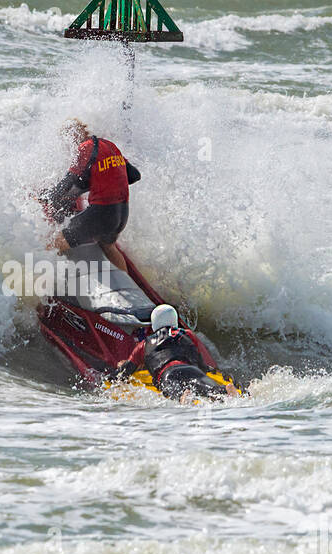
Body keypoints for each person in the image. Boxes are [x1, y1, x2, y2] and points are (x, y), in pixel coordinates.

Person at [42, 119, 140, 272]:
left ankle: (54, 285)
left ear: (73, 136)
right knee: (108, 247)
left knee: (55, 242)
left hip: (101, 214)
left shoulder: (85, 148)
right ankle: (132, 286)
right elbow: (134, 175)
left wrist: (48, 196)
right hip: (122, 214)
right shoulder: (109, 145)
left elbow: (69, 181)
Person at [115, 304, 240, 400]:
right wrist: (212, 371)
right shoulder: (187, 334)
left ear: (154, 323)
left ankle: (184, 397)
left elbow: (125, 371)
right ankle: (225, 390)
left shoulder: (143, 345)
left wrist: (113, 374)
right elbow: (204, 362)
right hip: (190, 369)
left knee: (178, 396)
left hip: (167, 375)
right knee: (212, 391)